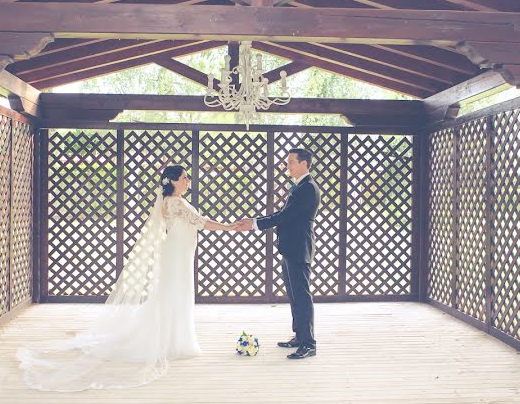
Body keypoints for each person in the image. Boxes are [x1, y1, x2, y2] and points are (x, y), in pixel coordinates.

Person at [17, 165, 236, 390]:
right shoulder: (175, 202)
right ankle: (171, 340)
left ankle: (173, 337)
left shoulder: (171, 201)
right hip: (177, 254)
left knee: (174, 294)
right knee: (173, 293)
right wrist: (230, 227)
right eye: (183, 178)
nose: (188, 180)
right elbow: (201, 222)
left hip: (179, 253)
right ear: (171, 181)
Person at [234, 148, 321, 360]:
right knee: (293, 294)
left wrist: (254, 224)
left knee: (302, 296)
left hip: (299, 247)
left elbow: (285, 216)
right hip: (291, 247)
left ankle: (309, 343)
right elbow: (283, 215)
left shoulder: (308, 188)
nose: (288, 166)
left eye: (291, 162)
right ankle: (299, 336)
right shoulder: (300, 186)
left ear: (304, 164)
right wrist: (254, 221)